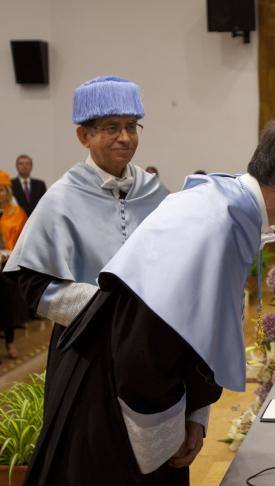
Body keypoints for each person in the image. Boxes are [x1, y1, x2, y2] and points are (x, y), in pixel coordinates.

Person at [8, 117, 275, 486]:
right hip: (117, 404)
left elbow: (192, 329)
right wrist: (168, 439)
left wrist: (197, 415)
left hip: (130, 383)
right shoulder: (212, 222)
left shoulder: (227, 207)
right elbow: (143, 350)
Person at [3, 76, 168, 397]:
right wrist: (112, 310)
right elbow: (34, 285)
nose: (125, 138)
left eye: (132, 126)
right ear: (83, 136)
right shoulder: (61, 198)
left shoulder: (154, 192)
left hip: (152, 350)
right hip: (87, 353)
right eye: (111, 127)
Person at [0, 170, 28, 359]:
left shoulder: (16, 213)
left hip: (7, 267)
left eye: (1, 190)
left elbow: (23, 240)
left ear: (7, 191)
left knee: (7, 305)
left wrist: (8, 254)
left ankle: (10, 342)